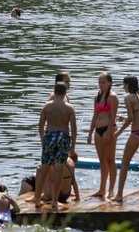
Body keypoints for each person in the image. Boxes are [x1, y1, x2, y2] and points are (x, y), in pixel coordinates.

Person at [32, 75, 77, 209]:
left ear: (55, 92)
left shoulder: (46, 107)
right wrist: (72, 147)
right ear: (65, 93)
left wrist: (43, 141)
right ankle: (54, 202)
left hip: (49, 136)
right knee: (58, 170)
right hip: (62, 136)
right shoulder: (69, 108)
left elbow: (40, 127)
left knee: (44, 168)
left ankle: (37, 200)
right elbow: (74, 130)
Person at [87, 72, 118, 198]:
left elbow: (113, 116)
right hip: (98, 131)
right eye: (99, 82)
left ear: (110, 83)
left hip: (109, 129)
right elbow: (95, 116)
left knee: (110, 160)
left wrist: (108, 131)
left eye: (103, 82)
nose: (101, 84)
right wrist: (90, 133)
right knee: (102, 161)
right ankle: (102, 189)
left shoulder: (113, 97)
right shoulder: (97, 97)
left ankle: (111, 190)